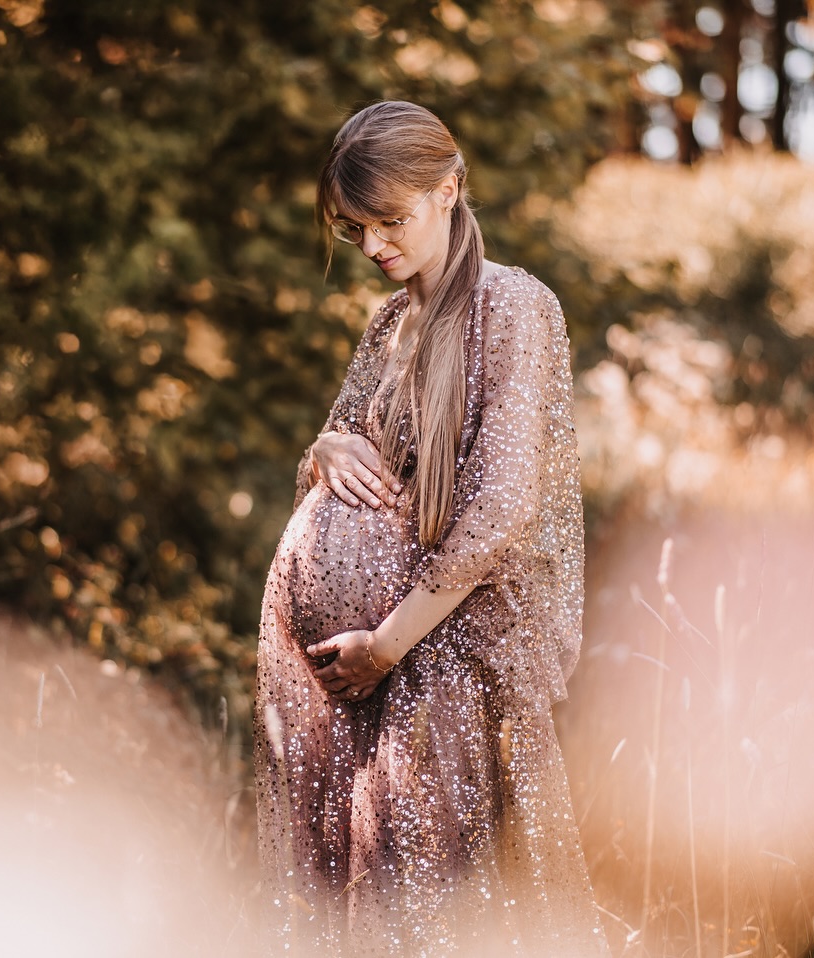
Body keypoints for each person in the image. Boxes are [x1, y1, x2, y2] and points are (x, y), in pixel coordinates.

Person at [254, 100, 606, 956]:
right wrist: (323, 450)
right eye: (355, 229)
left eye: (389, 220)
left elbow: (501, 508)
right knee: (370, 900)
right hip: (368, 681)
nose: (373, 246)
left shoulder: (512, 306)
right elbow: (349, 451)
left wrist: (385, 645)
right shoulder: (390, 321)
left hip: (443, 663)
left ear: (448, 189)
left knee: (442, 905)